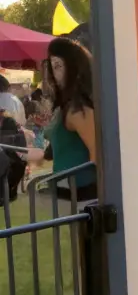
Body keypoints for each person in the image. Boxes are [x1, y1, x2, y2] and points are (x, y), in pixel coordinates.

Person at [42, 38, 97, 205]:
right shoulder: (67, 107)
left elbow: (99, 156)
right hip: (66, 194)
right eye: (52, 68)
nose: (54, 75)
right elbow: (51, 154)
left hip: (82, 197)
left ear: (74, 66)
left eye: (58, 66)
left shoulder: (78, 110)